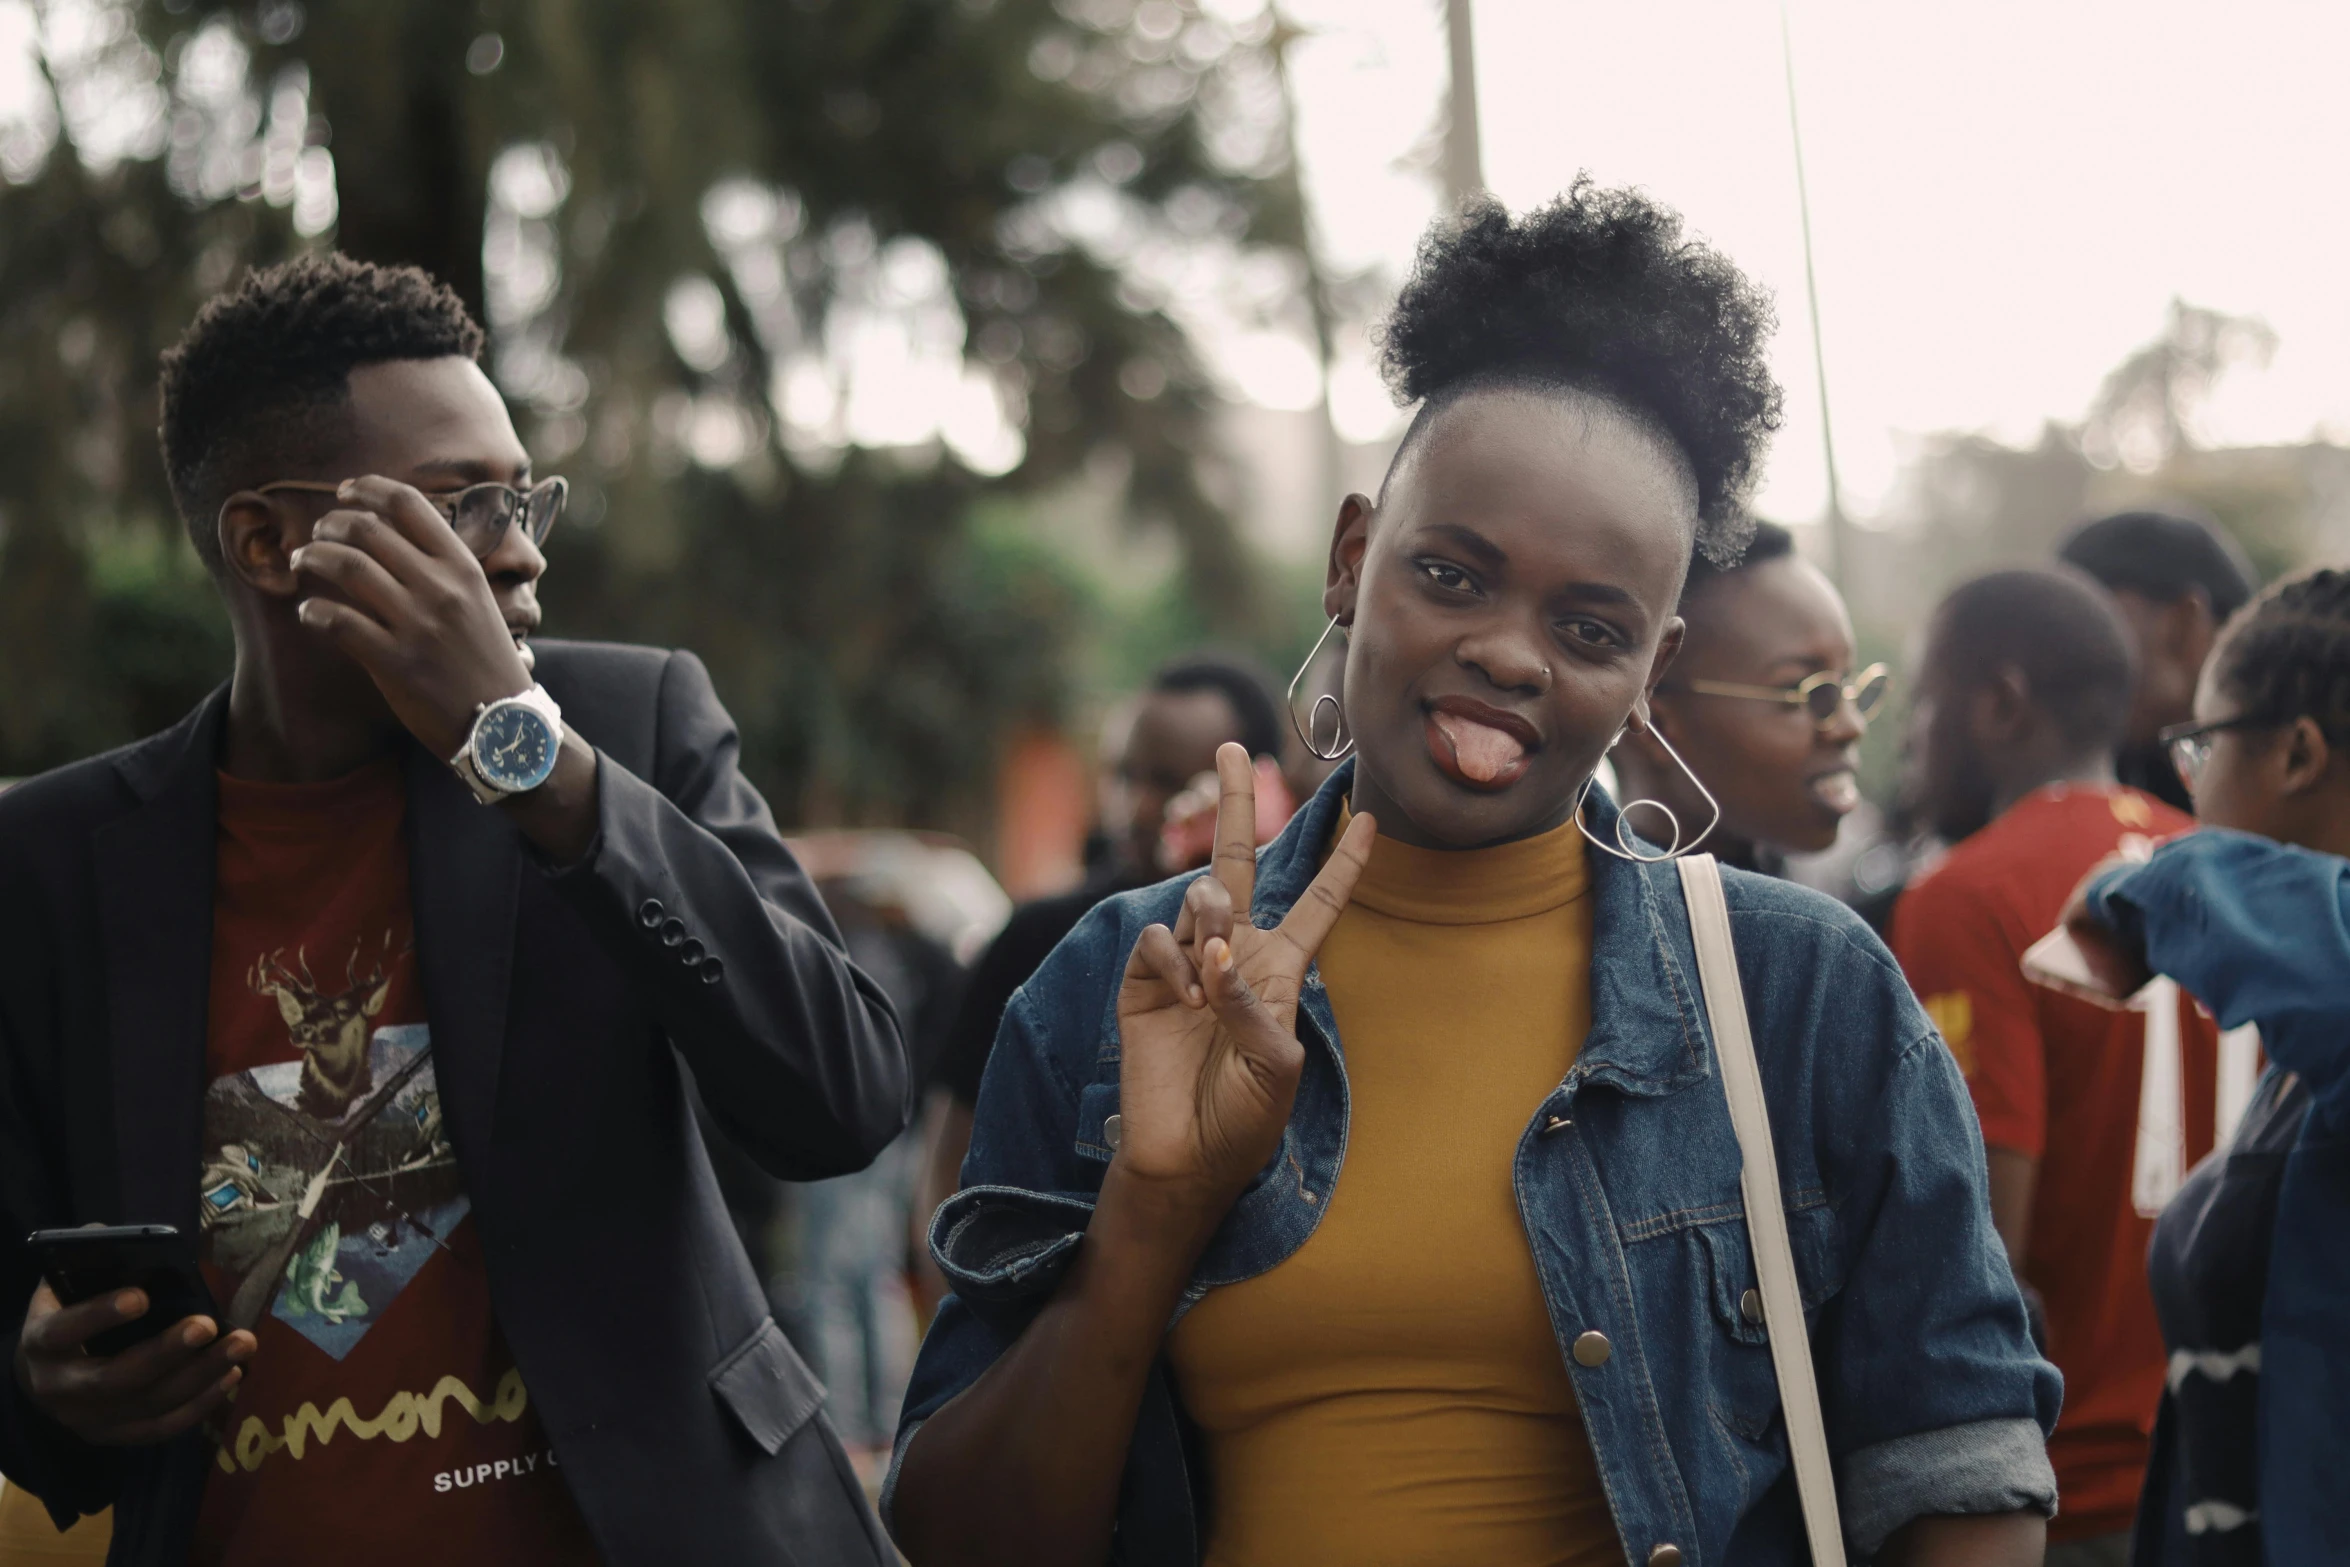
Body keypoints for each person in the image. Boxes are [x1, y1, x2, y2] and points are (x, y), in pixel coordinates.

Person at [887, 183, 2057, 1567]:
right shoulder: (1113, 984)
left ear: (1653, 671)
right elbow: (963, 1532)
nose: (1510, 652)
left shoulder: (1797, 994)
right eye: (1450, 572)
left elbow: (1960, 1466)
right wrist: (1150, 1213)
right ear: (1350, 557)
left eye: (1587, 623)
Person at [0, 255, 907, 1566]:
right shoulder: (52, 865)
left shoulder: (632, 726)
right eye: (461, 502)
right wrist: (43, 1377)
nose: (521, 544)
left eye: (523, 493)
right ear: (269, 541)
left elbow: (840, 1093)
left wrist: (529, 758)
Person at [1890, 567, 2222, 1567]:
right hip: (2233, 1449)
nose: (1910, 736)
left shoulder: (1965, 892)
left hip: (2072, 1482)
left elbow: (1981, 1244)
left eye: (1924, 698)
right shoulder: (2213, 856)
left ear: (1998, 701)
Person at [2055, 566, 2350, 1567]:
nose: (2186, 782)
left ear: (2298, 753)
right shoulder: (2297, 1058)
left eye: (2199, 744)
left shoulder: (2323, 980)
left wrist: (2136, 885)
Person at [910, 653, 1287, 1305]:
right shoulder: (1037, 937)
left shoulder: (1291, 956)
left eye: (1170, 781)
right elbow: (948, 1168)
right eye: (1125, 775)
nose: (1137, 805)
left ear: (1255, 790)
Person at [1610, 520, 1883, 874]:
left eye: (1846, 683)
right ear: (1654, 725)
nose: (1851, 726)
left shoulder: (1818, 914)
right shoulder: (1595, 923)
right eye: (1802, 689)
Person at [2058, 509, 2256, 814]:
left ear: (2184, 626)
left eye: (2094, 629)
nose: (2070, 666)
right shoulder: (2119, 766)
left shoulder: (2291, 781)